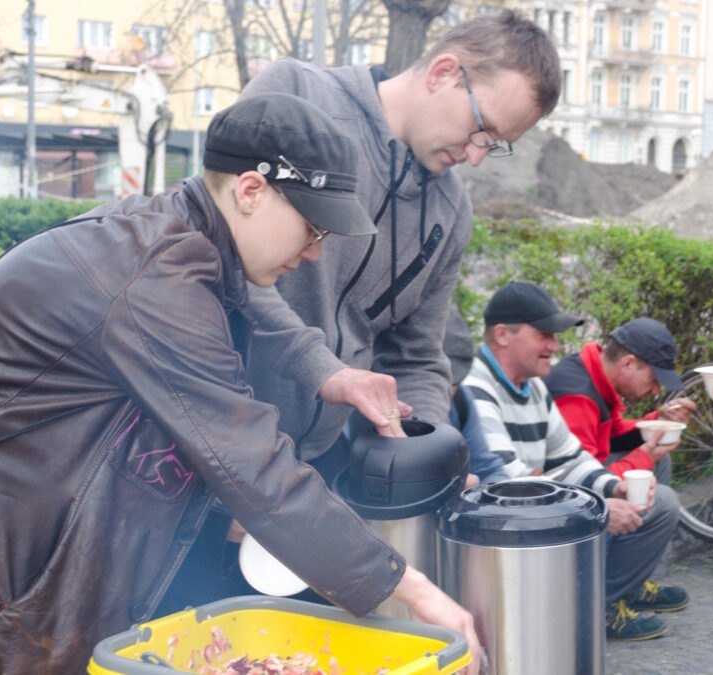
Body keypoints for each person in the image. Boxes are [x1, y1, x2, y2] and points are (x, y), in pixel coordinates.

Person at [0, 94, 479, 674]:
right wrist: (413, 589)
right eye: (312, 227)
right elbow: (252, 462)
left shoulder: (173, 243)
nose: (313, 253)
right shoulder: (157, 273)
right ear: (251, 191)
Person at [236, 11, 561, 485]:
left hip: (313, 466)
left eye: (495, 145)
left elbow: (417, 356)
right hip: (210, 441)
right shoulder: (296, 95)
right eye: (482, 129)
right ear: (443, 72)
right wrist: (326, 371)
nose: (475, 156)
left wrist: (426, 447)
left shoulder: (451, 210)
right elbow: (224, 258)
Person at [462, 281, 684, 641]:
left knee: (650, 490)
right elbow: (506, 492)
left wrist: (615, 487)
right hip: (495, 543)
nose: (555, 345)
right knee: (661, 498)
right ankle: (597, 606)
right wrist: (598, 509)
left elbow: (570, 459)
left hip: (535, 514)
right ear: (503, 334)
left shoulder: (532, 385)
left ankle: (611, 592)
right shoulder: (477, 388)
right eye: (544, 335)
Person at [544, 317, 696, 481]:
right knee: (664, 499)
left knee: (660, 458)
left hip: (588, 471)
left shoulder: (596, 374)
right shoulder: (577, 398)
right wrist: (643, 459)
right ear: (627, 364)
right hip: (565, 492)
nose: (656, 391)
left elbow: (613, 434)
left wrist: (659, 421)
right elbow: (579, 485)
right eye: (654, 380)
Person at [442, 305, 509, 486]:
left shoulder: (460, 401)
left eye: (454, 381)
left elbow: (487, 469)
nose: (449, 391)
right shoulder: (365, 409)